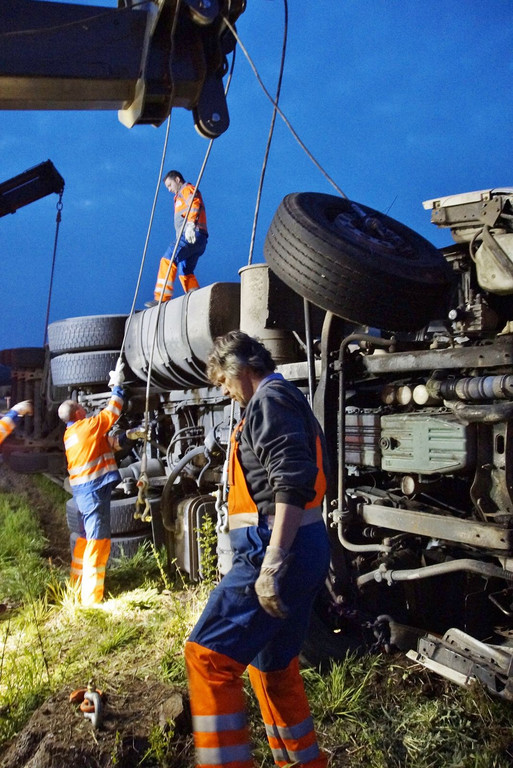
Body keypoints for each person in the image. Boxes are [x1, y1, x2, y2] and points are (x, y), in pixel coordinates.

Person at [184, 330, 330, 768]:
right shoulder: (283, 399)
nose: (224, 392)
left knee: (207, 658)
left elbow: (291, 481)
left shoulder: (270, 400)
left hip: (274, 551)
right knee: (272, 666)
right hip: (300, 549)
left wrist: (272, 564)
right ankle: (301, 762)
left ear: (241, 368)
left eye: (223, 382)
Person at [58, 359, 145, 605]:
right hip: (94, 492)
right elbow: (111, 412)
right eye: (82, 408)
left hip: (85, 493)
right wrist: (117, 385)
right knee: (98, 541)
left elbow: (110, 445)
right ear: (78, 413)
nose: (85, 410)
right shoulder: (87, 427)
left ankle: (76, 587)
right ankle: (92, 600)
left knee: (86, 539)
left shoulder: (73, 434)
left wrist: (130, 436)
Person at [147, 170, 208, 306]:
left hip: (193, 235)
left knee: (168, 258)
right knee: (185, 271)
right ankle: (197, 300)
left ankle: (162, 297)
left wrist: (191, 225)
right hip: (199, 239)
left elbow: (194, 203)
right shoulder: (178, 198)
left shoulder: (186, 189)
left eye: (170, 185)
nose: (169, 189)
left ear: (177, 180)